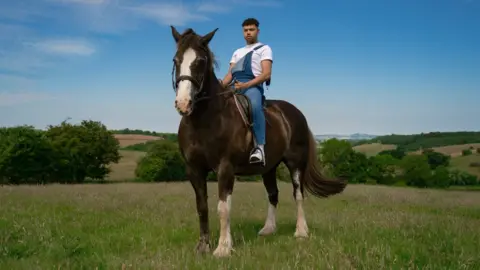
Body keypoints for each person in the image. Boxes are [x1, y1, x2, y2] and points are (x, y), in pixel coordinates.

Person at [220, 17, 273, 166]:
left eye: (251, 30)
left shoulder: (264, 49)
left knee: (255, 106)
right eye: (245, 30)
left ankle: (259, 148)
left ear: (257, 31)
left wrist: (246, 85)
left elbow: (266, 74)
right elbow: (229, 75)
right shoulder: (237, 52)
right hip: (235, 87)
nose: (248, 33)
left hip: (252, 87)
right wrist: (220, 85)